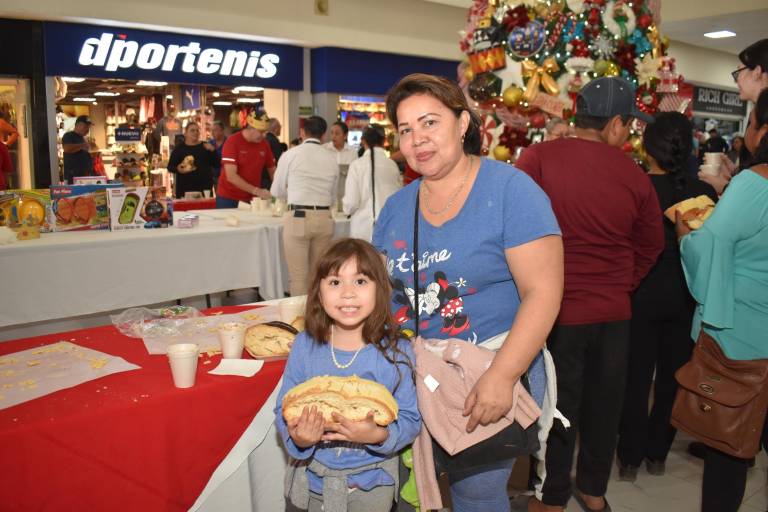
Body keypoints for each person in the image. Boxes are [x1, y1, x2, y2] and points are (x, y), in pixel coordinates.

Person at [374, 73, 563, 512]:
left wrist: (502, 376)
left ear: (462, 123)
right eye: (406, 130)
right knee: (410, 490)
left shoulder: (511, 190)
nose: (418, 139)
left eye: (429, 123)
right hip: (414, 374)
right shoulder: (397, 206)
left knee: (476, 492)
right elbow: (382, 289)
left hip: (488, 369)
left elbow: (544, 292)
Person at [515, 77, 664, 512]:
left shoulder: (537, 159)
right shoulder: (634, 175)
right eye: (630, 123)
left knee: (558, 409)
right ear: (616, 123)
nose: (632, 132)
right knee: (605, 405)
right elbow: (651, 242)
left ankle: (553, 494)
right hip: (615, 312)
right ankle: (594, 490)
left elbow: (518, 226)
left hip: (556, 311)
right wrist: (622, 281)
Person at [274, 238, 421, 512]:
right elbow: (283, 410)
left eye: (361, 281)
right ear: (318, 292)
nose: (348, 294)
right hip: (309, 486)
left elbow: (411, 420)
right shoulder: (305, 346)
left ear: (381, 289)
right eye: (335, 282)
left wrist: (377, 435)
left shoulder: (396, 351)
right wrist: (300, 438)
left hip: (372, 488)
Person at [675, 87, 768, 512]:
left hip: (744, 336)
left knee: (728, 445)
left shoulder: (754, 183)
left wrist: (685, 237)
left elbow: (711, 244)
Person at [615, 112, 718, 482]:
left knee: (636, 378)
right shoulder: (703, 193)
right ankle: (657, 453)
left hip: (639, 294)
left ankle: (628, 458)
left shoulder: (634, 187)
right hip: (686, 297)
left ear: (648, 146)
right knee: (674, 378)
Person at [270, 116, 339, 296]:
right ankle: (320, 320)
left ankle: (299, 321)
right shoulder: (332, 158)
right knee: (320, 276)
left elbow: (276, 190)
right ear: (324, 135)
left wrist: (291, 194)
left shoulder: (291, 154)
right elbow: (333, 195)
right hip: (325, 218)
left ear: (302, 132)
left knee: (299, 277)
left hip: (298, 216)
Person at [703, 39, 768, 194]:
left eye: (739, 72)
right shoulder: (755, 113)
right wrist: (735, 172)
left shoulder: (761, 118)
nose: (736, 80)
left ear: (757, 72)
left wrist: (725, 188)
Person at [343, 125, 401, 242]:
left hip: (362, 229)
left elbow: (351, 202)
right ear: (384, 141)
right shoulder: (392, 165)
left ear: (363, 140)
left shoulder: (357, 165)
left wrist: (346, 210)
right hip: (388, 226)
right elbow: (398, 198)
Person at [216, 111, 275, 208]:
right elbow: (231, 176)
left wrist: (281, 190)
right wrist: (256, 191)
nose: (264, 136)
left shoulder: (264, 144)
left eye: (265, 132)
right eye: (261, 132)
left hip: (252, 199)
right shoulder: (232, 142)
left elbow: (272, 171)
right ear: (250, 128)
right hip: (229, 198)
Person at [167, 122, 219, 199]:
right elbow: (170, 167)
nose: (195, 132)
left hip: (204, 189)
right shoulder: (179, 149)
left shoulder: (206, 146)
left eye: (197, 130)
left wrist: (213, 150)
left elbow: (217, 164)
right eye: (192, 130)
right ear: (185, 133)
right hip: (185, 188)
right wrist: (178, 169)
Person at [62, 115, 94, 183]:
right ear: (77, 125)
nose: (87, 129)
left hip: (83, 177)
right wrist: (83, 145)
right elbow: (67, 148)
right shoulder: (69, 135)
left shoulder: (82, 138)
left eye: (88, 127)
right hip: (73, 177)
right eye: (85, 126)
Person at [209, 120, 227, 191]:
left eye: (215, 130)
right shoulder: (210, 143)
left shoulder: (228, 143)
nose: (213, 133)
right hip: (213, 176)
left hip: (226, 176)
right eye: (212, 130)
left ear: (222, 131)